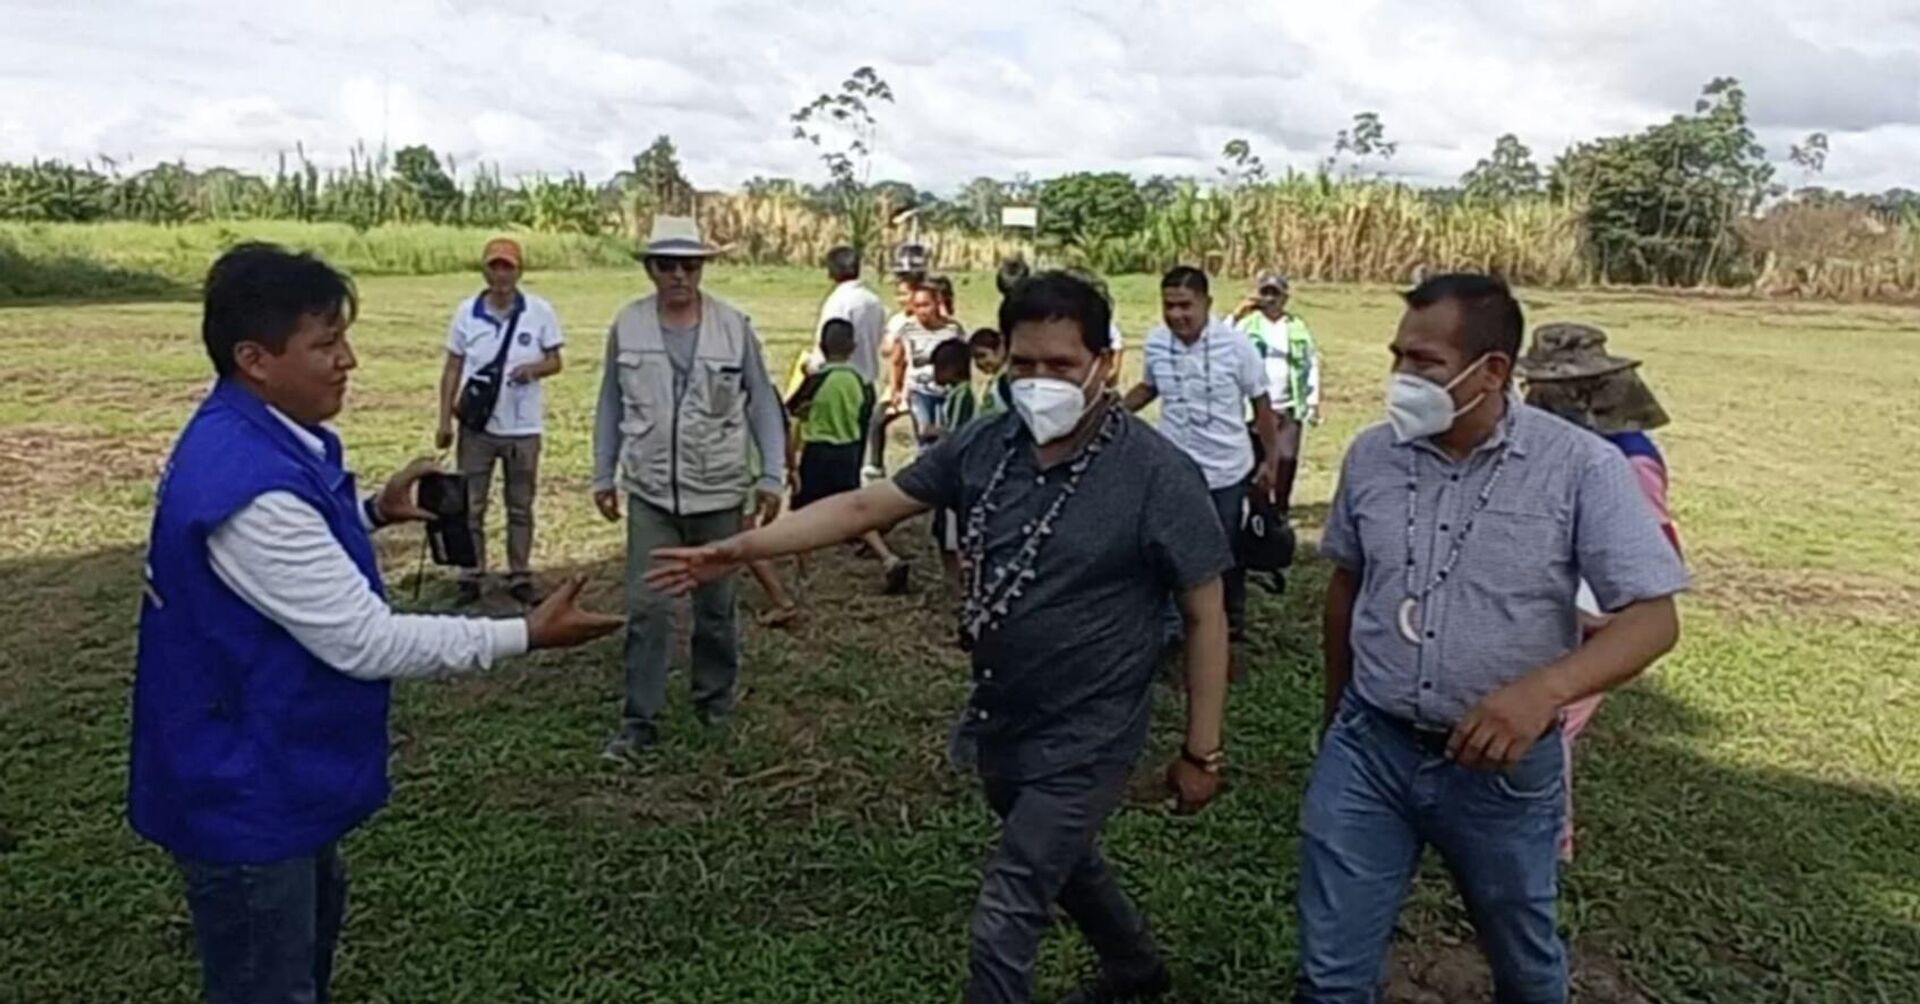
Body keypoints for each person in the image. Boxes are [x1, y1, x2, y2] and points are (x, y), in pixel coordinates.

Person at [645, 272, 1235, 1004]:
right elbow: (870, 502)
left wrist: (1201, 750)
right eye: (1024, 365)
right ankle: (1137, 970)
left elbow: (1207, 612)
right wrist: (740, 550)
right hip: (1001, 717)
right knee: (1063, 857)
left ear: (1104, 366)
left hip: (1092, 731)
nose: (1039, 381)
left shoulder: (1155, 475)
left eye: (1060, 365)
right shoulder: (992, 441)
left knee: (1008, 910)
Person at [129, 243, 622, 1004]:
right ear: (255, 358)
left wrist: (372, 513)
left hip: (268, 759)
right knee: (270, 980)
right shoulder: (249, 485)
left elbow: (279, 569)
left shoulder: (247, 434)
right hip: (245, 784)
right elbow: (364, 639)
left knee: (302, 949)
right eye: (325, 345)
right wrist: (524, 634)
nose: (348, 361)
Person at [1302, 274, 1689, 1003]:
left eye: (1424, 362)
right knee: (1330, 975)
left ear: (1494, 372)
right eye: (1398, 357)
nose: (1401, 378)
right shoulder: (1371, 457)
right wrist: (1336, 721)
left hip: (1499, 774)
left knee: (1524, 964)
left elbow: (1653, 617)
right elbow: (1347, 590)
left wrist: (1543, 693)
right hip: (1370, 749)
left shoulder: (1580, 468)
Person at [591, 216, 789, 759]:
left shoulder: (733, 326)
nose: (679, 274)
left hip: (720, 492)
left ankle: (714, 699)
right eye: (667, 264)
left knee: (717, 608)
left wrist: (772, 474)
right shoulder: (627, 325)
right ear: (650, 268)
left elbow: (763, 402)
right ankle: (639, 720)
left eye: (690, 264)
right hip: (652, 494)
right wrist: (602, 472)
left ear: (702, 268)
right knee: (648, 609)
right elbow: (610, 401)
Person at [1516, 321, 1682, 861]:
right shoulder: (1564, 447)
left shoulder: (1629, 462)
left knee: (1553, 721)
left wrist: (1613, 621)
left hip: (1599, 614)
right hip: (1556, 598)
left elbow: (1656, 552)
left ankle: (1550, 840)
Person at [1122, 266, 1280, 672]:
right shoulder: (1157, 344)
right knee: (1167, 551)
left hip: (1227, 470)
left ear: (1207, 303)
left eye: (1185, 306)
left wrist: (1270, 461)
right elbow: (1149, 388)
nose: (1176, 315)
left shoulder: (1236, 346)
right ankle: (1173, 634)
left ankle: (1225, 634)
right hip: (1174, 470)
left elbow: (1262, 405)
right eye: (1168, 306)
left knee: (1220, 555)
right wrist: (1112, 412)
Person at [434, 237, 566, 606]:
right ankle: (471, 573)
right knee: (470, 505)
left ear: (519, 271)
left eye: (508, 266)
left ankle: (520, 573)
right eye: (495, 266)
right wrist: (444, 420)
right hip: (477, 428)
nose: (501, 274)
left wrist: (534, 369)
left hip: (523, 428)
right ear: (485, 270)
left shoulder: (539, 311)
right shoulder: (466, 313)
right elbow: (452, 367)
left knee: (520, 505)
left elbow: (556, 361)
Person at [786, 318, 911, 594]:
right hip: (849, 450)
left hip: (818, 451)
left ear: (821, 346)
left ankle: (802, 572)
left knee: (801, 512)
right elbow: (866, 418)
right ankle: (887, 557)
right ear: (853, 347)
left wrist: (792, 458)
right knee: (854, 510)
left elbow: (791, 412)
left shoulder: (816, 380)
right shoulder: (861, 382)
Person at [1230, 272, 1319, 516]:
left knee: (1287, 459)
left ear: (1285, 297)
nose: (1270, 298)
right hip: (1256, 407)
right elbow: (1222, 337)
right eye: (1265, 292)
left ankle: (1280, 509)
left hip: (1289, 404)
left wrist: (1312, 401)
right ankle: (1258, 510)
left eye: (1275, 293)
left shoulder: (1296, 327)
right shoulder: (1247, 325)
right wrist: (1239, 312)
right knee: (1257, 460)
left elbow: (1310, 363)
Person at [922, 337, 976, 590]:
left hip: (955, 473)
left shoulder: (961, 395)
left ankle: (955, 579)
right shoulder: (961, 393)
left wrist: (935, 432)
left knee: (950, 529)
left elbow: (957, 433)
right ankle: (952, 578)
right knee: (944, 529)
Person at [893, 281, 970, 449]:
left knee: (947, 436)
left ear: (937, 304)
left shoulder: (952, 329)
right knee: (925, 435)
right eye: (917, 306)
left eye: (926, 305)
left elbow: (962, 359)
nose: (922, 311)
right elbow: (898, 361)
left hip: (946, 392)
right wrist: (897, 390)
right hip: (919, 391)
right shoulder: (907, 330)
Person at [969, 327, 1010, 420]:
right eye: (975, 358)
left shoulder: (1006, 381)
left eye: (982, 355)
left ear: (1000, 350)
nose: (979, 362)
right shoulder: (991, 382)